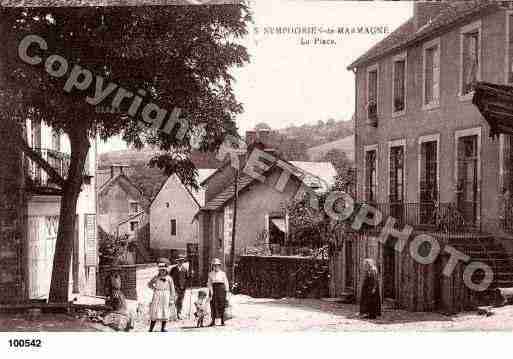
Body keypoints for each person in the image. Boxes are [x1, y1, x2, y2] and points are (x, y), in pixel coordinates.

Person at [148, 259, 176, 332]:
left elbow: (172, 289)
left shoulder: (169, 279)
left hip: (166, 295)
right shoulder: (156, 277)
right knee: (155, 310)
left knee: (165, 310)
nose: (162, 272)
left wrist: (172, 299)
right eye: (160, 270)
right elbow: (149, 284)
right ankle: (151, 328)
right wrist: (155, 288)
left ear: (166, 270)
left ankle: (163, 328)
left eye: (163, 270)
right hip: (157, 295)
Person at [207, 258, 230, 326]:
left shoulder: (223, 273)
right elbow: (209, 283)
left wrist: (227, 291)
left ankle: (222, 320)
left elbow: (226, 282)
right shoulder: (210, 273)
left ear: (219, 266)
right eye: (214, 265)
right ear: (212, 266)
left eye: (217, 265)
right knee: (213, 305)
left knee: (222, 304)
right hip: (213, 289)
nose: (215, 267)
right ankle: (213, 320)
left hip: (221, 289)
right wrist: (211, 291)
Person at [169, 254, 190, 320]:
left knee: (180, 301)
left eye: (182, 261)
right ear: (177, 261)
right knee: (175, 300)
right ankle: (174, 314)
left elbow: (187, 278)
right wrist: (172, 286)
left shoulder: (185, 269)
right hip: (175, 287)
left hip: (182, 288)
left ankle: (179, 313)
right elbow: (170, 278)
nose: (180, 262)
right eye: (179, 261)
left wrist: (191, 276)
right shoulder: (173, 269)